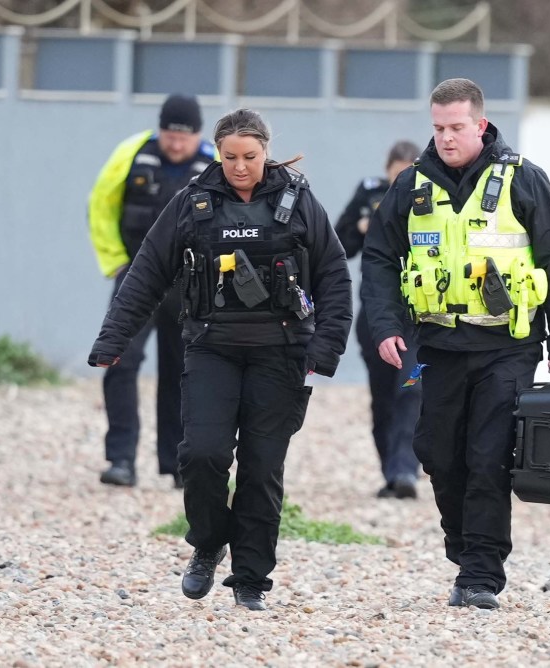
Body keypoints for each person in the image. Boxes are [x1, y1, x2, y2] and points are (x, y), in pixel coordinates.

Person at [88, 108, 353, 611]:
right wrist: (113, 339)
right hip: (211, 347)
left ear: (266, 152)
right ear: (217, 152)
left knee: (261, 468)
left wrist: (326, 346)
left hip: (280, 353)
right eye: (230, 156)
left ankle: (250, 579)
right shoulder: (193, 202)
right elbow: (147, 271)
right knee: (203, 455)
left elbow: (334, 275)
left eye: (250, 157)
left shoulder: (299, 202)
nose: (239, 167)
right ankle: (208, 543)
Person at [361, 78, 550, 610]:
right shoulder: (410, 186)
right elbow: (378, 258)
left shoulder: (524, 180)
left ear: (480, 125)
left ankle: (481, 573)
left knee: (488, 457)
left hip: (508, 345)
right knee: (437, 453)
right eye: (438, 128)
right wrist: (387, 324)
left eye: (457, 127)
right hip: (436, 345)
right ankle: (465, 547)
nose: (446, 138)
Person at [88, 93, 216, 488]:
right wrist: (117, 264)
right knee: (120, 362)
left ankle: (178, 464)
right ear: (158, 130)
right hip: (137, 280)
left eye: (184, 137)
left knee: (183, 371)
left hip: (189, 284)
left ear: (197, 135)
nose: (175, 144)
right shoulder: (132, 154)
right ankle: (121, 459)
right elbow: (101, 207)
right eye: (169, 135)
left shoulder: (214, 163)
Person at [335, 140, 423, 500]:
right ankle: (391, 471)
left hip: (419, 315)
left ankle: (406, 470)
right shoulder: (369, 193)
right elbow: (338, 244)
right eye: (396, 171)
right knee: (383, 396)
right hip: (375, 313)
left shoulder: (430, 197)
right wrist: (360, 225)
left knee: (412, 389)